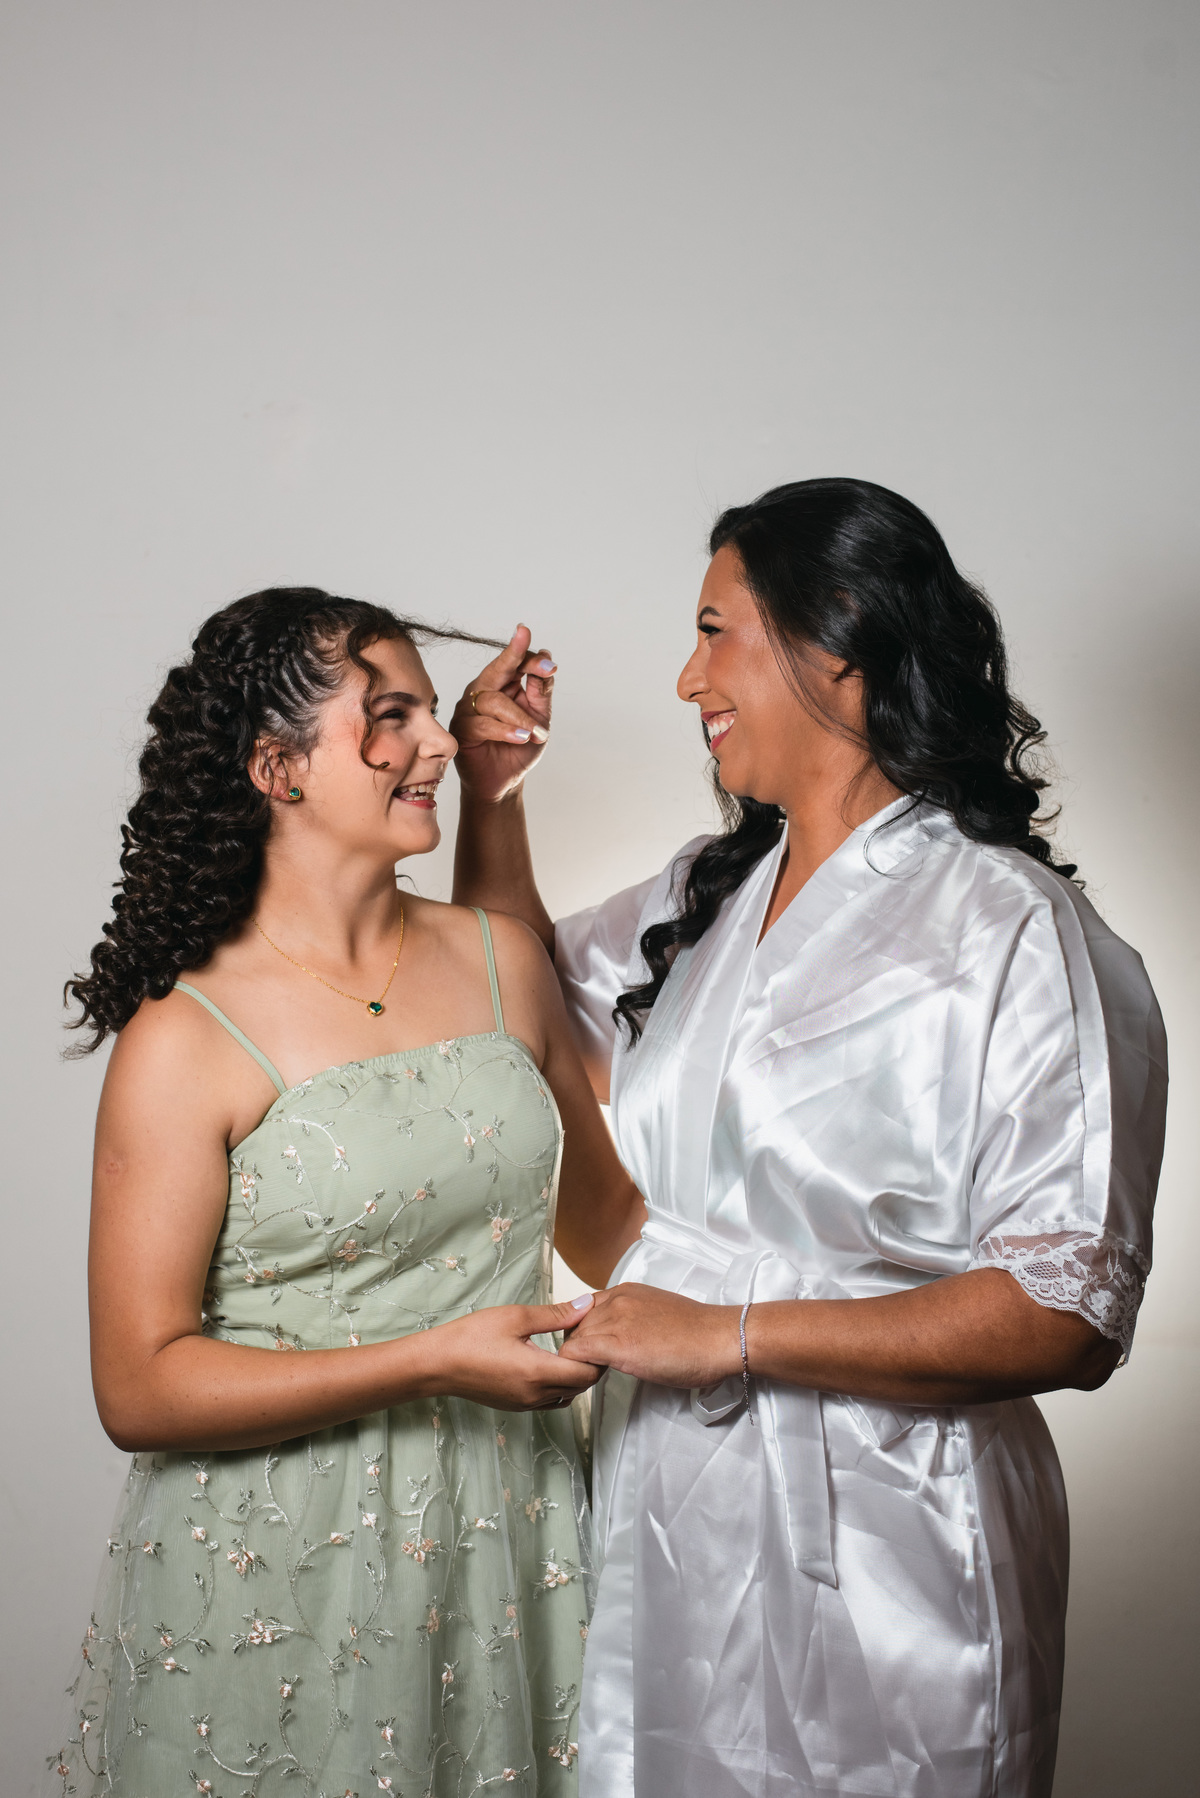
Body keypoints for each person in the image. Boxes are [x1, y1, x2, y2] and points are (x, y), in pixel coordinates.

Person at [449, 479, 1168, 1798]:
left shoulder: (1017, 929)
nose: (686, 678)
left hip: (898, 1528)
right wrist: (490, 796)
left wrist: (730, 1331)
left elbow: (1065, 1312)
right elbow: (512, 1007)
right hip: (672, 1491)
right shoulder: (709, 893)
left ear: (835, 639)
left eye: (713, 631)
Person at [51, 588, 644, 1796]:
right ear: (278, 767)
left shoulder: (500, 958)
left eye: (432, 711)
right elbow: (139, 1382)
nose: (437, 741)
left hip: (510, 1531)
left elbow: (607, 1230)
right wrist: (431, 1361)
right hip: (279, 1565)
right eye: (391, 716)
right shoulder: (185, 1034)